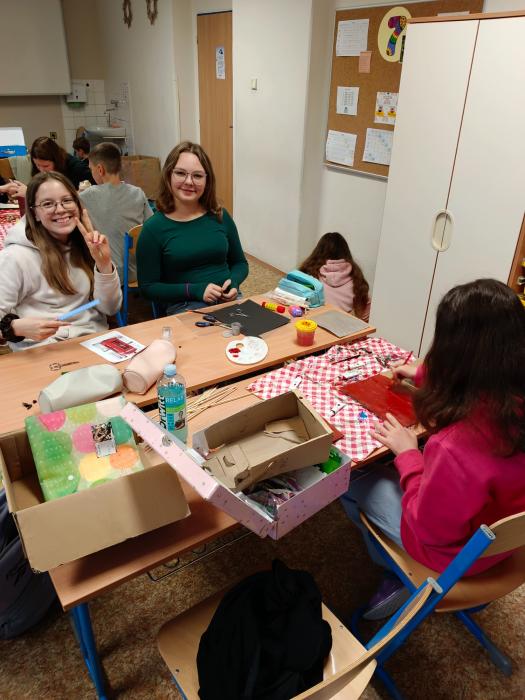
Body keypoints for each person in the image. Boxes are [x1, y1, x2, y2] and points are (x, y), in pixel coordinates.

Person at [341, 278, 525, 619]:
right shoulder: (509, 388)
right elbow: (479, 379)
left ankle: (396, 573)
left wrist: (409, 457)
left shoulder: (455, 447)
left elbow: (428, 530)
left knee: (351, 477)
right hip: (504, 545)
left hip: (452, 555)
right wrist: (423, 374)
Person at [0, 171, 122, 351]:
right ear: (34, 213)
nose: (60, 209)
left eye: (67, 200)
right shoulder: (14, 257)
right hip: (43, 350)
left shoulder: (86, 244)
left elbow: (110, 308)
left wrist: (104, 265)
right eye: (48, 204)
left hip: (94, 342)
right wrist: (14, 328)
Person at [137, 141, 248, 314]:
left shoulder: (220, 216)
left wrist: (234, 281)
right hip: (185, 305)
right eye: (181, 173)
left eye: (197, 176)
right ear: (168, 175)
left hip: (229, 301)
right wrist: (194, 290)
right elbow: (148, 287)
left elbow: (240, 263)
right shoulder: (153, 228)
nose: (189, 182)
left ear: (207, 180)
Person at [80, 142, 153, 281]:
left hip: (109, 274)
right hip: (139, 272)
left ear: (100, 170)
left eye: (91, 169)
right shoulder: (137, 193)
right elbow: (151, 227)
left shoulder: (86, 196)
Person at [299, 232, 370, 321]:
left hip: (311, 325)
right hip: (343, 326)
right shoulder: (357, 279)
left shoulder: (308, 275)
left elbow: (294, 303)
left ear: (318, 252)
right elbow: (365, 317)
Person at [7, 137, 95, 199]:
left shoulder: (78, 169)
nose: (41, 170)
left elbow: (89, 196)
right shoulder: (39, 167)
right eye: (37, 165)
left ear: (56, 160)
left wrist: (30, 193)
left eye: (46, 166)